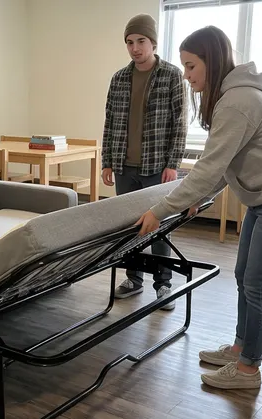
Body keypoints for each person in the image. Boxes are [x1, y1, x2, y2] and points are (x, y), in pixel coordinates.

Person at [136, 25, 262, 390]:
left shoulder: (237, 102)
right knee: (244, 276)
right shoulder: (230, 98)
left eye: (191, 66)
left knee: (259, 285)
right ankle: (240, 348)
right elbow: (223, 166)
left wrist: (160, 211)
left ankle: (249, 370)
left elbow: (209, 168)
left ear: (212, 61)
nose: (186, 75)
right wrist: (195, 198)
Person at [102, 13, 188, 310]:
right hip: (124, 167)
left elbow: (180, 123)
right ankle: (133, 279)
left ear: (153, 42)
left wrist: (173, 163)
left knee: (160, 227)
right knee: (129, 226)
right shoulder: (119, 78)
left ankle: (163, 284)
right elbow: (110, 122)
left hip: (157, 166)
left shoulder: (172, 75)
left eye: (140, 41)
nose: (135, 48)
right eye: (129, 42)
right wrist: (107, 161)